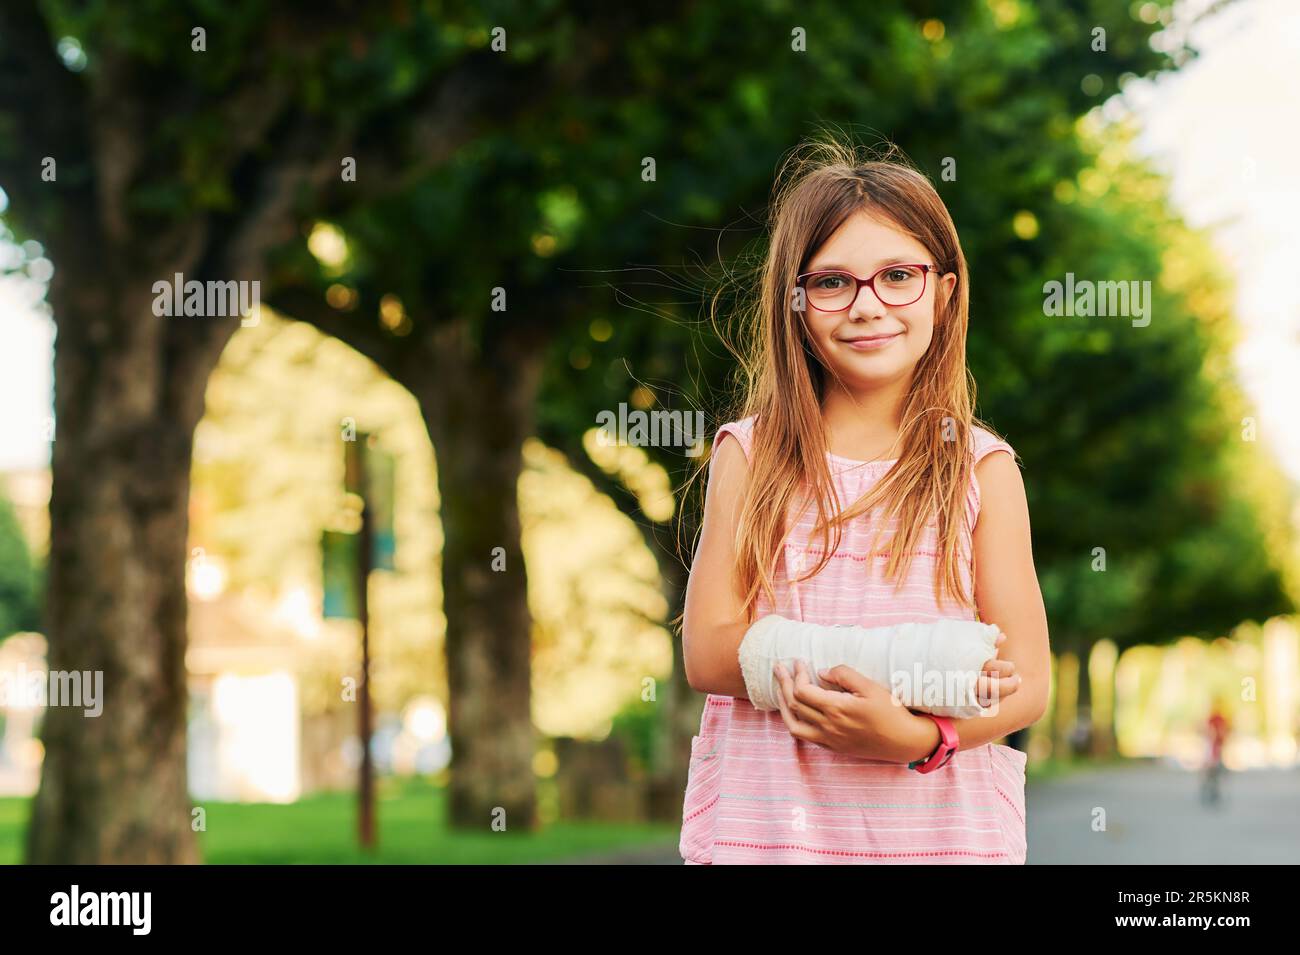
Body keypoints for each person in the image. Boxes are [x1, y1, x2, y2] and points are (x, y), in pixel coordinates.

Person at [677, 139, 1051, 864]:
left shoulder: (982, 469)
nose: (867, 305)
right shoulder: (748, 456)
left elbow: (1028, 681)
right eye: (832, 283)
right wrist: (902, 669)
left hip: (941, 840)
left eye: (898, 276)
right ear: (795, 300)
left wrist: (913, 736)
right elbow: (708, 651)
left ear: (944, 293)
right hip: (771, 839)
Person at [1201, 700, 1230, 806]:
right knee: (1212, 771)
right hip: (1212, 749)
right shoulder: (1212, 718)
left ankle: (1214, 791)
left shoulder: (1221, 718)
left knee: (1216, 771)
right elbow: (1207, 730)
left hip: (1218, 748)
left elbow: (1226, 730)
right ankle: (1210, 791)